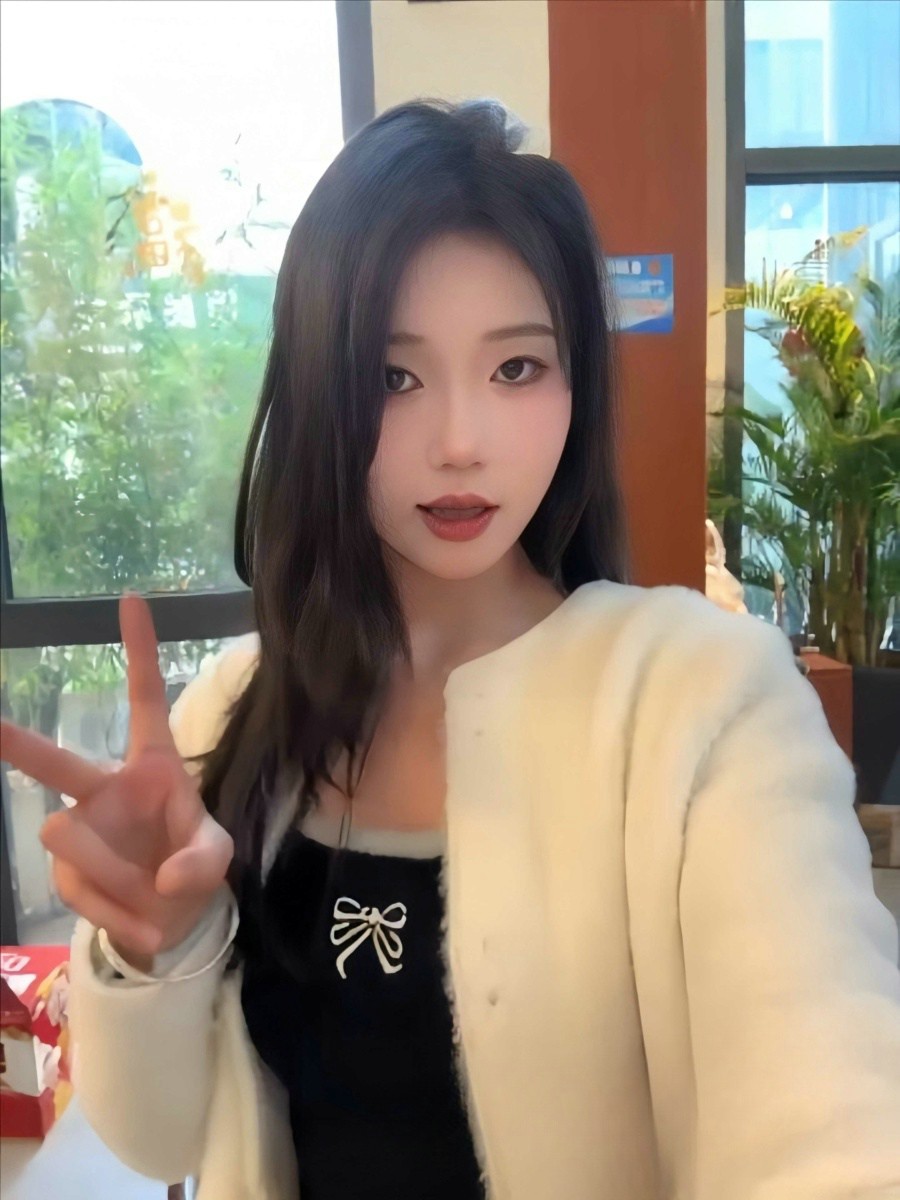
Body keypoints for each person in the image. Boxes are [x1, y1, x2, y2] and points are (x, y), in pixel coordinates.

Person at [2, 97, 899, 1200]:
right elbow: (156, 1141)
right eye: (394, 377)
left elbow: (832, 1106)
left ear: (577, 386)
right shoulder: (232, 713)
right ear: (320, 394)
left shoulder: (704, 704)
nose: (461, 442)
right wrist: (154, 947)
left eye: (516, 368)